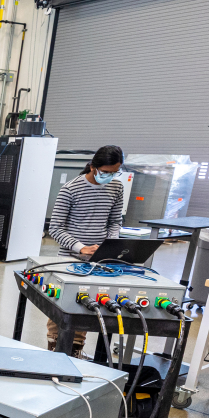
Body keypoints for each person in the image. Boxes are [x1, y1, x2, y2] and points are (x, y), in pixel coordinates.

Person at [47, 145, 126, 353]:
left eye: (115, 172)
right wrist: (81, 248)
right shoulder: (70, 189)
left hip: (99, 259)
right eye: (105, 172)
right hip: (70, 259)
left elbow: (114, 222)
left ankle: (75, 349)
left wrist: (110, 245)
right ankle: (55, 347)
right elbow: (55, 228)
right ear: (93, 167)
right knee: (62, 308)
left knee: (88, 306)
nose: (110, 176)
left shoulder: (116, 188)